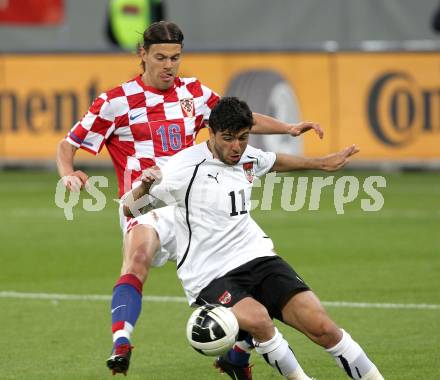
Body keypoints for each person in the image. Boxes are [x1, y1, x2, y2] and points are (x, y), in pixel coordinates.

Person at [55, 21, 324, 377]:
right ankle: (122, 341)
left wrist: (287, 127)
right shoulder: (115, 101)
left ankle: (238, 356)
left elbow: (239, 118)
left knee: (247, 278)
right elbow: (67, 145)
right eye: (161, 57)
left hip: (191, 206)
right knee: (137, 258)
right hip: (145, 202)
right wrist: (68, 173)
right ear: (143, 55)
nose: (169, 65)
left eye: (175, 57)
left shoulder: (193, 92)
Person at [123, 97, 385, 380]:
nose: (236, 147)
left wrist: (322, 163)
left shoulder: (246, 157)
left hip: (257, 257)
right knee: (259, 321)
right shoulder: (182, 168)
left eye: (243, 138)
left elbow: (273, 161)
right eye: (228, 139)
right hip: (210, 274)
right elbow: (129, 207)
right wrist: (146, 186)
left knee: (324, 328)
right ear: (210, 133)